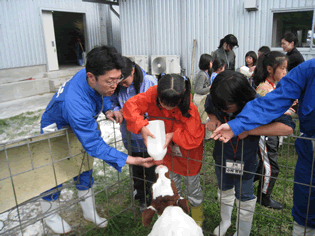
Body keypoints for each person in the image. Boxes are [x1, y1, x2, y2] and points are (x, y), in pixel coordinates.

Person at [39, 46, 154, 234]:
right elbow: (93, 143)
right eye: (111, 81)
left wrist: (108, 109)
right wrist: (131, 159)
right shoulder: (75, 102)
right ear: (91, 76)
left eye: (118, 80)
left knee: (84, 166)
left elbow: (103, 94)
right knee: (54, 172)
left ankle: (89, 211)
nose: (115, 86)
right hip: (56, 130)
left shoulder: (95, 78)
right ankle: (50, 215)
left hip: (81, 123)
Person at [210, 59, 315, 235]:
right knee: (224, 190)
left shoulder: (254, 100)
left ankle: (242, 231)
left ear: (243, 98)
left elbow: (288, 127)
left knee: (244, 196)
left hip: (247, 162)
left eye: (228, 108)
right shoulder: (308, 70)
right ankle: (225, 221)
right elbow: (211, 106)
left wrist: (247, 129)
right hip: (222, 158)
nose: (225, 111)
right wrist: (215, 118)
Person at [123, 74, 205, 226]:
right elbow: (130, 106)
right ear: (158, 94)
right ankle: (177, 218)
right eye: (162, 103)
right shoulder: (151, 95)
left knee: (192, 187)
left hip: (188, 155)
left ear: (180, 100)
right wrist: (141, 125)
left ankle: (197, 219)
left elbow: (194, 136)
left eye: (172, 106)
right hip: (168, 153)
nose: (167, 109)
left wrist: (174, 134)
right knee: (173, 186)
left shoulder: (190, 107)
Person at [110, 57, 157, 212]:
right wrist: (116, 110)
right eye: (119, 82)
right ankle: (140, 198)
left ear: (132, 71)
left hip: (148, 136)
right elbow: (112, 101)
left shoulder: (149, 82)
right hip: (130, 136)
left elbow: (156, 107)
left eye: (124, 80)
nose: (122, 84)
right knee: (136, 171)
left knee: (151, 170)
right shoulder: (119, 87)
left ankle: (153, 198)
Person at [253, 51, 290, 210]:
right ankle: (264, 197)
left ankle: (244, 181)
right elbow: (267, 112)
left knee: (264, 165)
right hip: (265, 134)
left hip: (271, 133)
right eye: (282, 68)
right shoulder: (263, 88)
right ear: (270, 69)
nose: (285, 72)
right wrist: (284, 110)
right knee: (271, 167)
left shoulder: (274, 86)